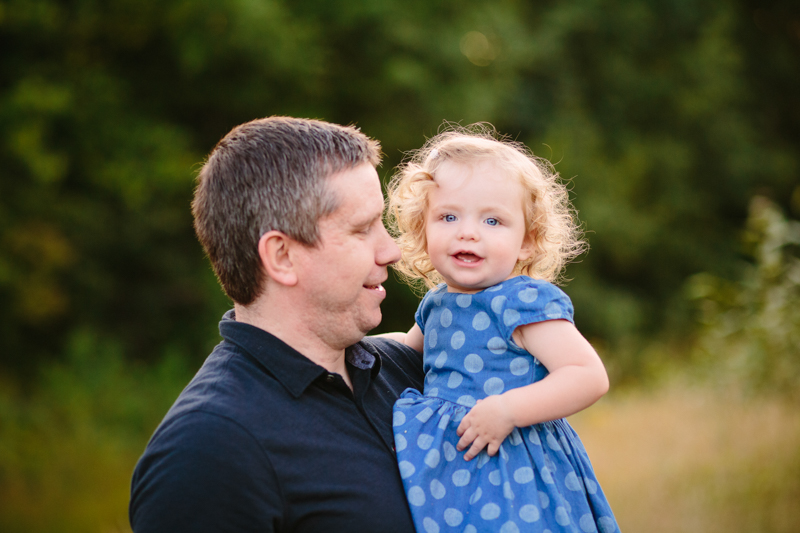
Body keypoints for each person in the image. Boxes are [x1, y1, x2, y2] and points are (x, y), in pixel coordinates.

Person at [129, 117, 425, 532]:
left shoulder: (410, 370)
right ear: (282, 256)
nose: (391, 251)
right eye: (362, 229)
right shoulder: (207, 451)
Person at [382, 125, 620, 532]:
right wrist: (352, 347)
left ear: (526, 242)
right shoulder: (437, 304)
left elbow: (588, 376)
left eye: (493, 220)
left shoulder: (521, 302)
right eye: (448, 216)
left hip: (516, 468)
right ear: (423, 229)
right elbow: (406, 350)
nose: (468, 231)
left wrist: (509, 410)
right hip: (455, 469)